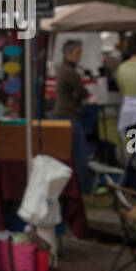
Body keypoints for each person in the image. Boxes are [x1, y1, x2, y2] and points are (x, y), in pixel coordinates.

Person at [52, 39, 94, 194]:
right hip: (68, 115)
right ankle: (85, 188)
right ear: (67, 54)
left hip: (64, 114)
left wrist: (78, 93)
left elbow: (79, 92)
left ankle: (76, 187)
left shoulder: (66, 69)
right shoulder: (69, 72)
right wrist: (79, 93)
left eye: (80, 52)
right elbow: (82, 92)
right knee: (79, 153)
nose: (79, 56)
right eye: (77, 53)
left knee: (69, 154)